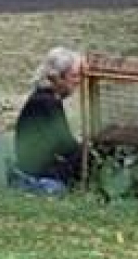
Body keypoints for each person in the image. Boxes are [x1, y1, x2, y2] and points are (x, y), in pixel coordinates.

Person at [11, 48, 84, 192]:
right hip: (37, 176)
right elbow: (65, 145)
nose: (78, 81)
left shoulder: (45, 98)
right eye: (74, 76)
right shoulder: (47, 102)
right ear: (57, 78)